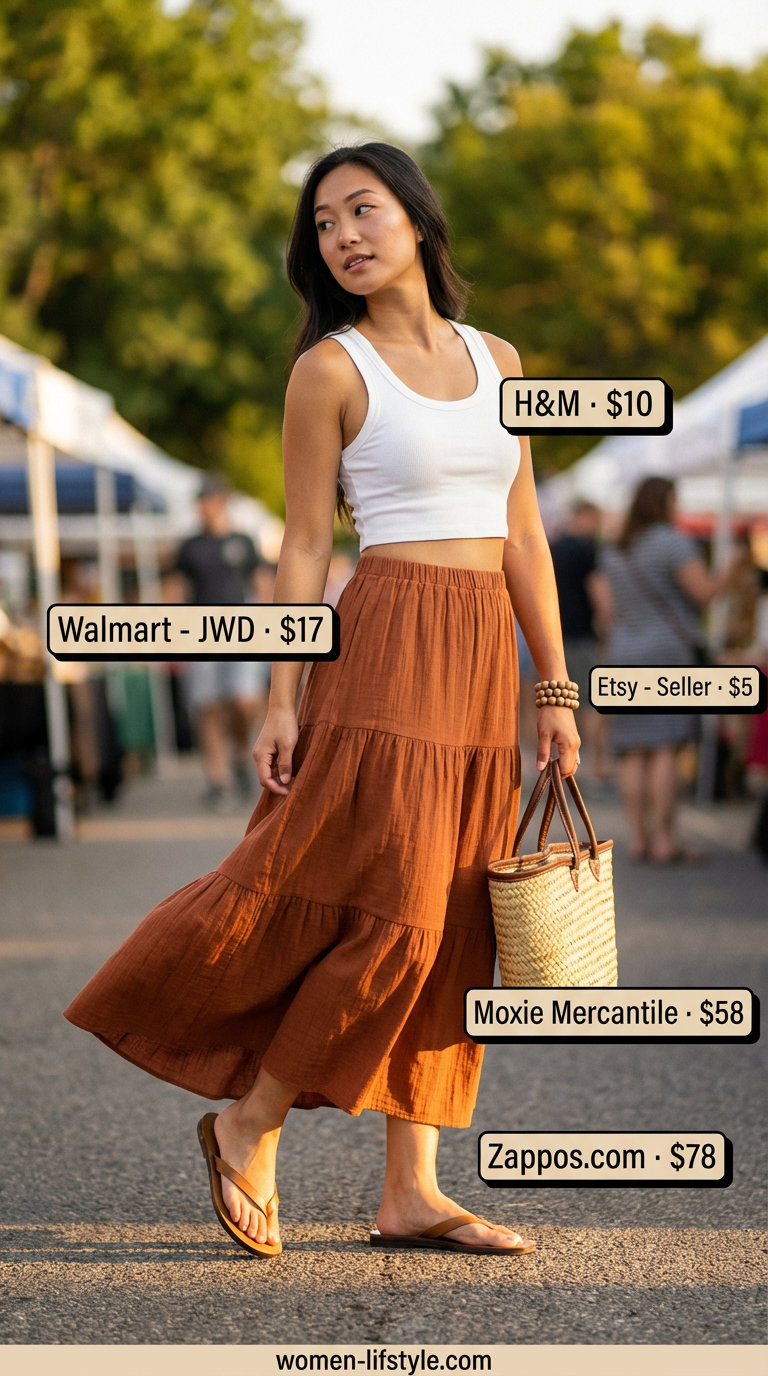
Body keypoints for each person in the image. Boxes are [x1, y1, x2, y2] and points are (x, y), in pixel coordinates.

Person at [64, 143, 580, 1259]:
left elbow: (525, 533)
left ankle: (412, 1191)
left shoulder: (502, 359)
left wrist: (555, 685)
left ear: (417, 218)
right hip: (386, 635)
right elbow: (302, 547)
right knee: (393, 906)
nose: (345, 234)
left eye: (364, 208)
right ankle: (249, 1119)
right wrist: (278, 698)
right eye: (326, 222)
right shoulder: (330, 371)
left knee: (456, 921)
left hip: (484, 652)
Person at [599, 475, 730, 862]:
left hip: (623, 654)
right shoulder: (673, 543)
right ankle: (665, 840)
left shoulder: (615, 551)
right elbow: (703, 592)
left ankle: (638, 839)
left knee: (633, 752)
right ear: (665, 502)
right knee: (665, 749)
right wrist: (728, 570)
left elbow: (609, 610)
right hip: (667, 654)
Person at [165, 475, 270, 806]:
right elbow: (176, 589)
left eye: (208, 500)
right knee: (207, 706)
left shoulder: (243, 541)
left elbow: (263, 583)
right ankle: (217, 777)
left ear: (221, 501)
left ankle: (239, 751)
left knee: (244, 701)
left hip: (243, 631)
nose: (203, 507)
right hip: (200, 632)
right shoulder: (190, 546)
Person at [549, 500, 612, 786]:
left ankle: (555, 761)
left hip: (554, 635)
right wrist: (608, 625)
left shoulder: (554, 547)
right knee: (590, 703)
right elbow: (598, 592)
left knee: (558, 700)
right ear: (584, 516)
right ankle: (592, 767)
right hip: (582, 635)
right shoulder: (586, 550)